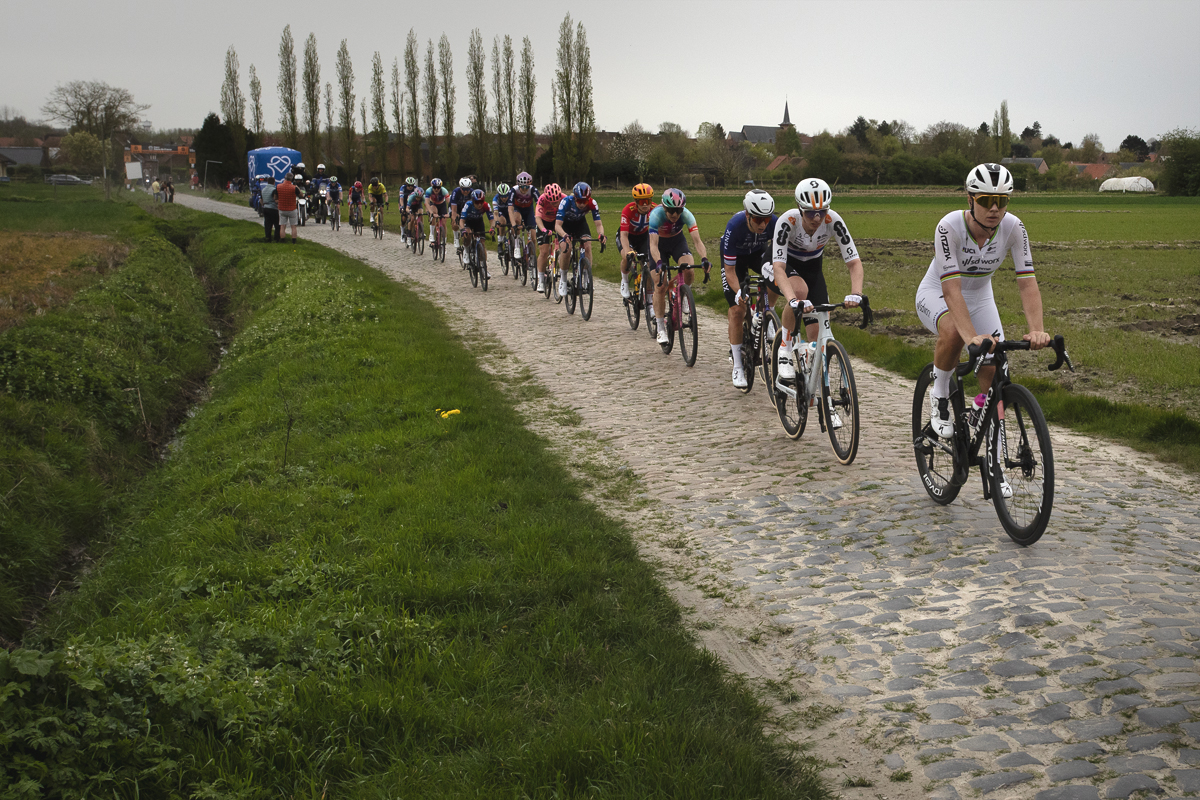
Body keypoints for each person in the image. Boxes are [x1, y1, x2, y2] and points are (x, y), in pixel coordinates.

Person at [916, 162, 1048, 457]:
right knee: (952, 331)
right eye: (986, 201)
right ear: (970, 200)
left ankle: (980, 412)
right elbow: (951, 290)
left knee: (994, 365)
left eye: (1001, 201)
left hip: (981, 297)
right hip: (937, 293)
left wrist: (1037, 329)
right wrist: (970, 336)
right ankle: (938, 396)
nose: (994, 209)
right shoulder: (949, 226)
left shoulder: (1014, 228)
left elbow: (1027, 284)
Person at [767, 178, 864, 384]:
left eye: (822, 211)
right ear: (800, 209)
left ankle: (811, 383)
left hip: (813, 269)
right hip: (785, 265)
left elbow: (854, 262)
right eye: (811, 212)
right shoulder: (787, 222)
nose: (817, 218)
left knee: (817, 336)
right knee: (800, 291)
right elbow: (779, 268)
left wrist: (856, 293)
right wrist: (793, 300)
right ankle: (784, 348)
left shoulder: (833, 221)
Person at [722, 189, 778, 388]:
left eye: (767, 219)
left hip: (757, 254)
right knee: (737, 310)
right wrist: (739, 293)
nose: (763, 224)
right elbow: (729, 271)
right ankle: (737, 366)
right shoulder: (734, 227)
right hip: (735, 261)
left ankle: (766, 311)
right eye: (757, 219)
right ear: (747, 215)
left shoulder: (774, 224)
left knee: (776, 277)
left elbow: (780, 259)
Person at [648, 188, 709, 345]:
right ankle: (661, 328)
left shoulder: (687, 215)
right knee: (660, 285)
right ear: (664, 207)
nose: (674, 214)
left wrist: (704, 259)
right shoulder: (655, 215)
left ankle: (683, 296)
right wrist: (659, 262)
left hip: (677, 241)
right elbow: (653, 245)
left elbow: (697, 240)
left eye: (678, 210)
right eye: (671, 210)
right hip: (659, 245)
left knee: (688, 268)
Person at [553, 182, 606, 297]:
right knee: (567, 248)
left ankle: (587, 277)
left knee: (587, 245)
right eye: (579, 201)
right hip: (565, 225)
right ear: (575, 198)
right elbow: (557, 225)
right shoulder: (566, 202)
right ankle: (562, 280)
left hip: (580, 224)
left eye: (585, 201)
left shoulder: (592, 203)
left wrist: (601, 234)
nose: (582, 204)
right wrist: (564, 235)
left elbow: (598, 224)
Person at [617, 182, 656, 300]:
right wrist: (628, 250)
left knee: (649, 264)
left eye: (647, 201)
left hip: (643, 236)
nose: (645, 205)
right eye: (641, 202)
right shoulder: (628, 210)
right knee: (626, 256)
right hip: (628, 236)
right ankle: (624, 281)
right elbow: (623, 235)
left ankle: (649, 301)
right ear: (636, 202)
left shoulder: (655, 209)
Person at [534, 183, 563, 293]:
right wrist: (543, 230)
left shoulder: (564, 198)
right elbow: (537, 218)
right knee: (544, 252)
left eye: (557, 201)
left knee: (563, 246)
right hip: (544, 223)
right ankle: (541, 280)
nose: (555, 204)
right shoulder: (542, 199)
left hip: (558, 222)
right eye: (552, 202)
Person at [459, 188, 494, 276]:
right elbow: (462, 220)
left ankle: (484, 268)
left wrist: (492, 228)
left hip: (478, 222)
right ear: (473, 201)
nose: (479, 204)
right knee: (468, 233)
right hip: (468, 222)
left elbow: (491, 219)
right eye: (477, 202)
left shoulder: (486, 205)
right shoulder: (468, 205)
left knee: (482, 243)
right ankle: (466, 251)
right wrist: (463, 230)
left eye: (481, 202)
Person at [424, 178, 452, 245]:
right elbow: (427, 203)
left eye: (438, 187)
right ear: (432, 187)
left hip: (442, 204)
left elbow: (450, 203)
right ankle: (431, 234)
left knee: (444, 223)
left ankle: (444, 241)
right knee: (434, 213)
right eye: (435, 187)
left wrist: (450, 213)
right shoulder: (428, 191)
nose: (436, 189)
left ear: (440, 187)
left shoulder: (444, 191)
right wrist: (431, 212)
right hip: (433, 204)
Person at [449, 177, 473, 252]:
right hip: (456, 209)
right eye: (464, 189)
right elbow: (453, 210)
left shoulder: (472, 192)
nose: (466, 191)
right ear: (460, 188)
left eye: (467, 189)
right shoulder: (455, 192)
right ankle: (456, 238)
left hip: (466, 209)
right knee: (455, 222)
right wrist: (455, 217)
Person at [276, 173, 299, 243]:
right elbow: (301, 194)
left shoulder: (278, 186)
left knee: (282, 226)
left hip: (282, 208)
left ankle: (282, 240)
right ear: (292, 179)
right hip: (292, 208)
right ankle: (294, 240)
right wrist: (297, 187)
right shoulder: (294, 187)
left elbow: (276, 197)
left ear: (284, 178)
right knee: (293, 226)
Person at [400, 177, 420, 242]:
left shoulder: (416, 188)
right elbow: (401, 198)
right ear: (406, 184)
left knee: (414, 216)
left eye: (412, 185)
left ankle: (414, 231)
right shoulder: (402, 188)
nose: (410, 187)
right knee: (403, 218)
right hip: (405, 202)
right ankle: (402, 233)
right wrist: (402, 207)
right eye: (409, 185)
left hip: (413, 202)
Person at [261, 176, 280, 242]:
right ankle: (276, 238)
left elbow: (261, 200)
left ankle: (268, 237)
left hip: (265, 208)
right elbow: (275, 199)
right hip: (273, 208)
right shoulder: (274, 189)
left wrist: (263, 205)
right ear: (274, 182)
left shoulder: (263, 189)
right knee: (277, 224)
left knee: (267, 224)